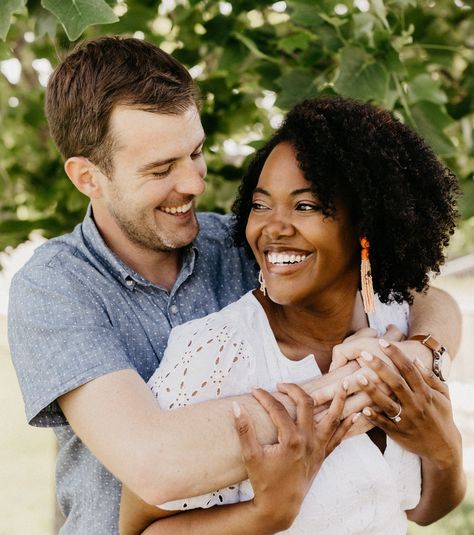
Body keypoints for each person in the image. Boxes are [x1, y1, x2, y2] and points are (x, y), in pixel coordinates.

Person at [7, 37, 462, 534]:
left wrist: (420, 354)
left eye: (195, 153)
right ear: (87, 177)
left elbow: (423, 295)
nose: (195, 183)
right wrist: (351, 384)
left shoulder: (242, 243)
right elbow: (158, 465)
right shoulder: (55, 287)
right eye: (162, 169)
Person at [120, 96, 466, 534]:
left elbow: (422, 510)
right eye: (261, 205)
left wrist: (444, 448)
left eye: (304, 206)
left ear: (366, 225)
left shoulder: (395, 326)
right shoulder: (213, 354)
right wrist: (265, 514)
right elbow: (137, 528)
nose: (273, 227)